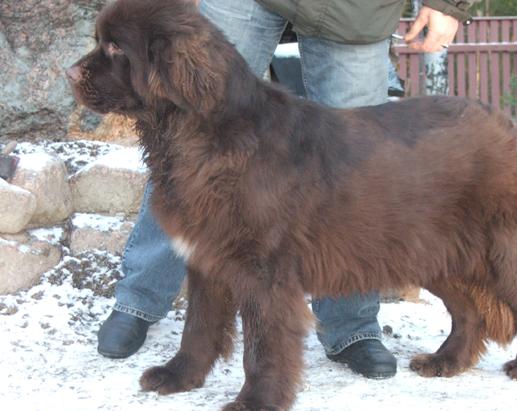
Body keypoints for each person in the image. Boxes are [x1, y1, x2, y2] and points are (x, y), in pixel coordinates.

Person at [98, 0, 476, 379]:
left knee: (357, 165)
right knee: (180, 138)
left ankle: (352, 328)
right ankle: (139, 301)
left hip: (356, 9)